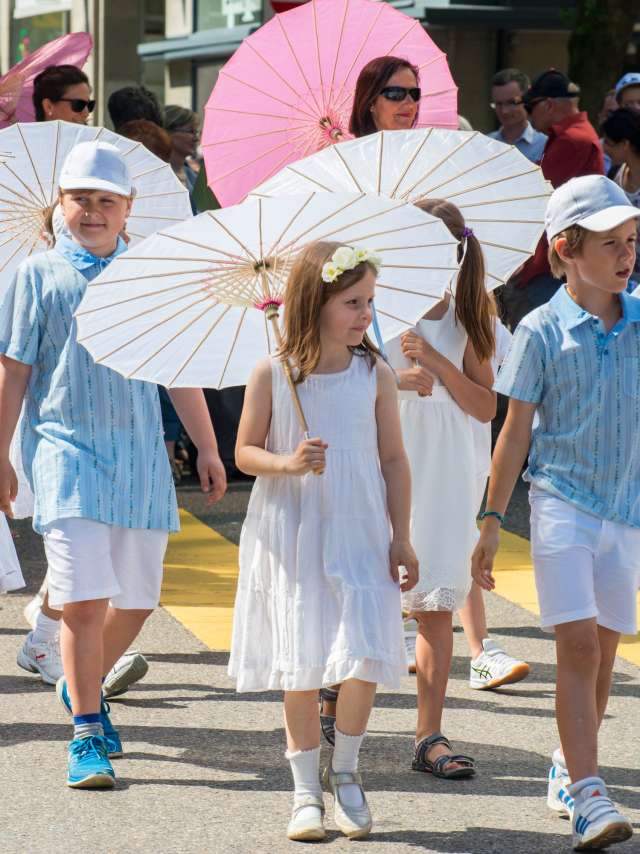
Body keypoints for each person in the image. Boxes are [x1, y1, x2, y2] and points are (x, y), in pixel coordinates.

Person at [0, 140, 227, 789]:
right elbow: (13, 373)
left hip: (142, 463)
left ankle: (83, 686)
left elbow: (175, 369)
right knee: (81, 598)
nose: (93, 212)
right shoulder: (36, 276)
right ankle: (86, 732)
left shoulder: (148, 277)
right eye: (81, 200)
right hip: (66, 456)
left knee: (138, 600)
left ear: (127, 209)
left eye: (107, 201)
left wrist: (207, 447)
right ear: (59, 205)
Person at [229, 241, 418, 841]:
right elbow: (245, 452)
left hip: (362, 526)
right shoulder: (273, 372)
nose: (365, 314)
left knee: (362, 652)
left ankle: (348, 770)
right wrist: (287, 462)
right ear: (315, 302)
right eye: (352, 302)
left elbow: (393, 458)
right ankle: (305, 789)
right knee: (303, 661)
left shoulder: (376, 373)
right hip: (296, 528)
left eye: (369, 302)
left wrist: (402, 537)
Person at [472, 175, 638, 851]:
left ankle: (570, 766)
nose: (627, 256)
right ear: (566, 250)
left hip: (627, 512)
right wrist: (489, 521)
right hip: (560, 503)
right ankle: (592, 797)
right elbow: (513, 433)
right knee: (574, 646)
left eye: (632, 241)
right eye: (610, 245)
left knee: (602, 655)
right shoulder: (539, 329)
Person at [500, 70, 604, 331]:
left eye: (530, 106)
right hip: (558, 258)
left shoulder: (572, 140)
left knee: (535, 338)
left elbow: (538, 194)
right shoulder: (572, 136)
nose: (528, 113)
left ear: (547, 104)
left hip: (552, 265)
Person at [601, 107, 640, 289]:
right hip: (620, 272)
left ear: (625, 144)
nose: (604, 147)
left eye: (609, 143)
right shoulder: (615, 173)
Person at [488, 68, 547, 163]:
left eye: (511, 102)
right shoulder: (486, 144)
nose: (504, 111)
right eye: (498, 104)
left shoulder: (544, 146)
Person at [164, 105, 200, 212]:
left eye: (196, 132)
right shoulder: (158, 177)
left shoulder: (193, 176)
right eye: (190, 131)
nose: (196, 138)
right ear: (168, 133)